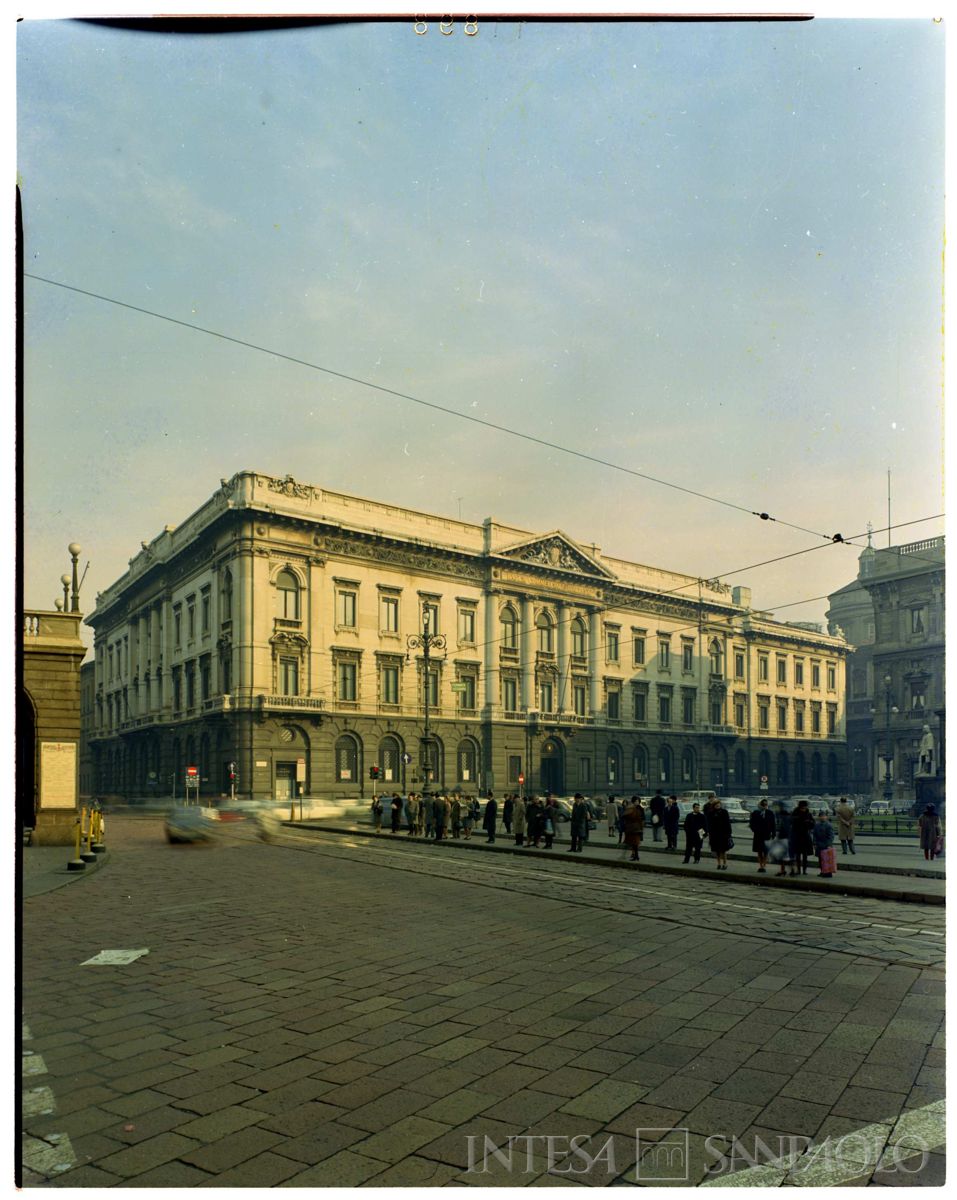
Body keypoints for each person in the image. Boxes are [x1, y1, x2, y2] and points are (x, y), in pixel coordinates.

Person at [749, 797, 776, 873]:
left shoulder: (770, 813)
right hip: (758, 835)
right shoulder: (755, 813)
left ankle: (764, 864)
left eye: (766, 805)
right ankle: (761, 865)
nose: (765, 806)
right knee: (759, 851)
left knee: (766, 851)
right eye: (763, 805)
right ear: (760, 805)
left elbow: (773, 824)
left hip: (766, 834)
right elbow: (751, 823)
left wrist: (773, 833)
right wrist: (755, 830)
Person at [788, 800, 815, 876]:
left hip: (805, 836)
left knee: (805, 855)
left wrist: (809, 823)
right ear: (800, 807)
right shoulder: (795, 814)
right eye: (803, 808)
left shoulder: (808, 814)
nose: (804, 809)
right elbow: (791, 822)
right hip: (797, 836)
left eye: (805, 808)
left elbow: (813, 824)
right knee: (798, 855)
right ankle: (798, 870)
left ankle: (804, 870)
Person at [708, 797, 733, 869]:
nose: (717, 805)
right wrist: (709, 833)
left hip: (723, 834)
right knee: (717, 850)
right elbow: (709, 823)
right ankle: (719, 863)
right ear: (714, 805)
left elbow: (728, 823)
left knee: (723, 850)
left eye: (718, 804)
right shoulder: (711, 813)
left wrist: (729, 833)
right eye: (716, 804)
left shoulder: (724, 812)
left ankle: (725, 864)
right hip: (714, 834)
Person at [769, 804, 791, 877]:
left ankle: (786, 870)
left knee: (783, 856)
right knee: (783, 856)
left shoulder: (782, 817)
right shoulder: (785, 816)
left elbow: (783, 828)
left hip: (784, 838)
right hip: (785, 838)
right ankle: (785, 870)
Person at [812, 810, 836, 877]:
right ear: (819, 817)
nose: (822, 817)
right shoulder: (817, 825)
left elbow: (831, 836)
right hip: (819, 845)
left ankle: (828, 872)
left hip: (826, 845)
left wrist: (829, 844)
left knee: (827, 860)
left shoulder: (828, 825)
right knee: (820, 860)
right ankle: (822, 871)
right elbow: (815, 835)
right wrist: (814, 843)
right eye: (821, 816)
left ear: (826, 817)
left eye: (824, 816)